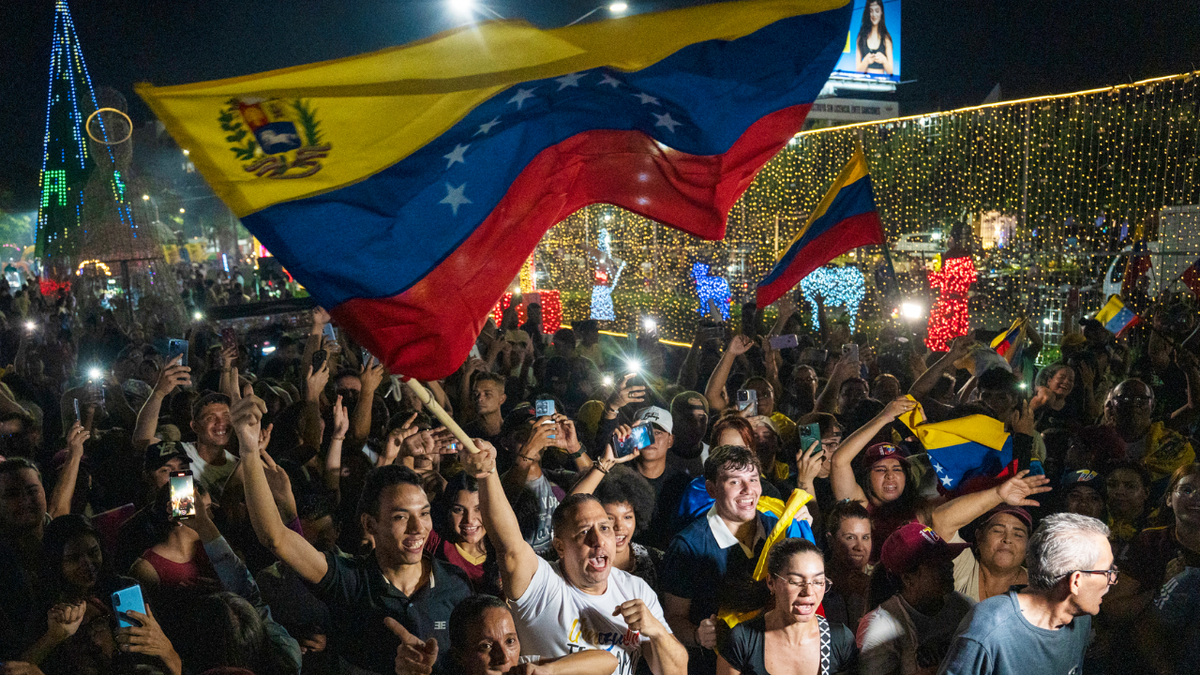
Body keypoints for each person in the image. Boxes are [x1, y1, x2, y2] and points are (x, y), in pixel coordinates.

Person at [234, 386, 471, 674]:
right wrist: (248, 449)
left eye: (424, 514)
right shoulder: (351, 581)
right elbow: (275, 537)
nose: (417, 528)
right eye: (400, 517)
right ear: (370, 525)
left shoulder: (455, 584)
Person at [462, 438, 687, 675]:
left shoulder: (636, 590)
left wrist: (657, 631)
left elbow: (676, 672)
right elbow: (509, 546)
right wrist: (487, 474)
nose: (598, 540)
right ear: (560, 547)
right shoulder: (542, 585)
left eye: (605, 528)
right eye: (583, 533)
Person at [938, 513, 1115, 675]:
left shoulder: (1080, 620)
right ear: (1075, 581)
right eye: (1107, 572)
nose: (1112, 581)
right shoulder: (988, 630)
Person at [661, 445, 774, 674]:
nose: (747, 490)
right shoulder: (688, 545)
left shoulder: (777, 531)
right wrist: (697, 634)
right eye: (734, 481)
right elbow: (672, 617)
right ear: (711, 489)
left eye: (753, 479)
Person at [716, 538, 857, 675]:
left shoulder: (840, 640)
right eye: (795, 581)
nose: (808, 592)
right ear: (771, 582)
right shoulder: (743, 640)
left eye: (818, 581)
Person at [387, 594, 619, 675]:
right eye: (485, 646)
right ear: (459, 655)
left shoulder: (524, 669)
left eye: (510, 641)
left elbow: (608, 661)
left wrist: (548, 670)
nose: (504, 656)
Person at [857, 523, 974, 675]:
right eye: (938, 564)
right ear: (907, 578)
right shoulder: (881, 626)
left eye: (947, 557)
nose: (950, 565)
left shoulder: (962, 606)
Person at [820, 499, 873, 629]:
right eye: (850, 537)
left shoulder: (879, 580)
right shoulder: (817, 582)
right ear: (831, 540)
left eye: (865, 537)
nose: (860, 547)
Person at [854, 0, 894, 75]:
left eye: (877, 11)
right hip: (864, 83)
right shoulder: (861, 37)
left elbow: (890, 72)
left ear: (881, 12)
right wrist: (865, 61)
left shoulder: (886, 39)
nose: (874, 14)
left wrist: (884, 60)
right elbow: (857, 71)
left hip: (881, 84)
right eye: (871, 11)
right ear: (867, 13)